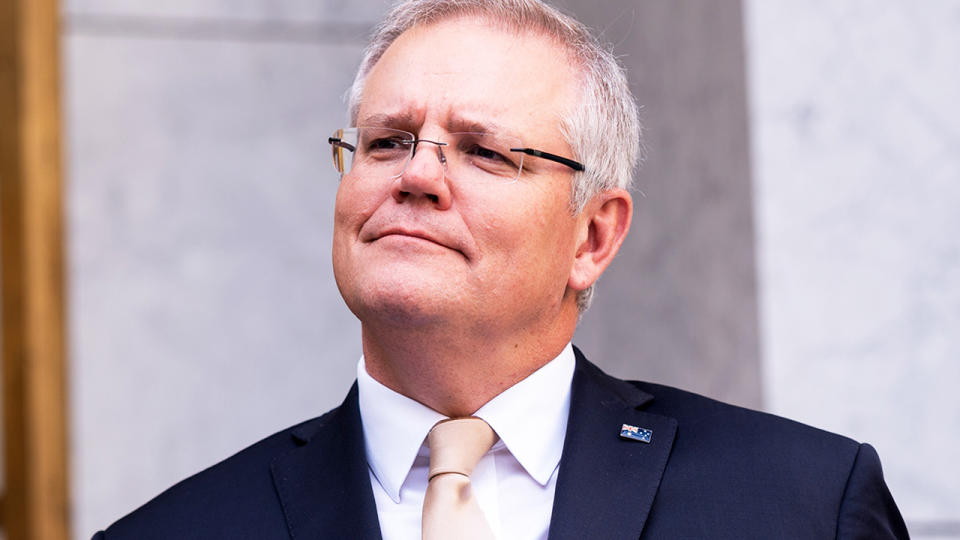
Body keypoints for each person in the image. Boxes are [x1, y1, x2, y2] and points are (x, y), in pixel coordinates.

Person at [94, 0, 909, 538]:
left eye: (483, 151)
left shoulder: (800, 503)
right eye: (385, 141)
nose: (414, 175)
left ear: (592, 236)